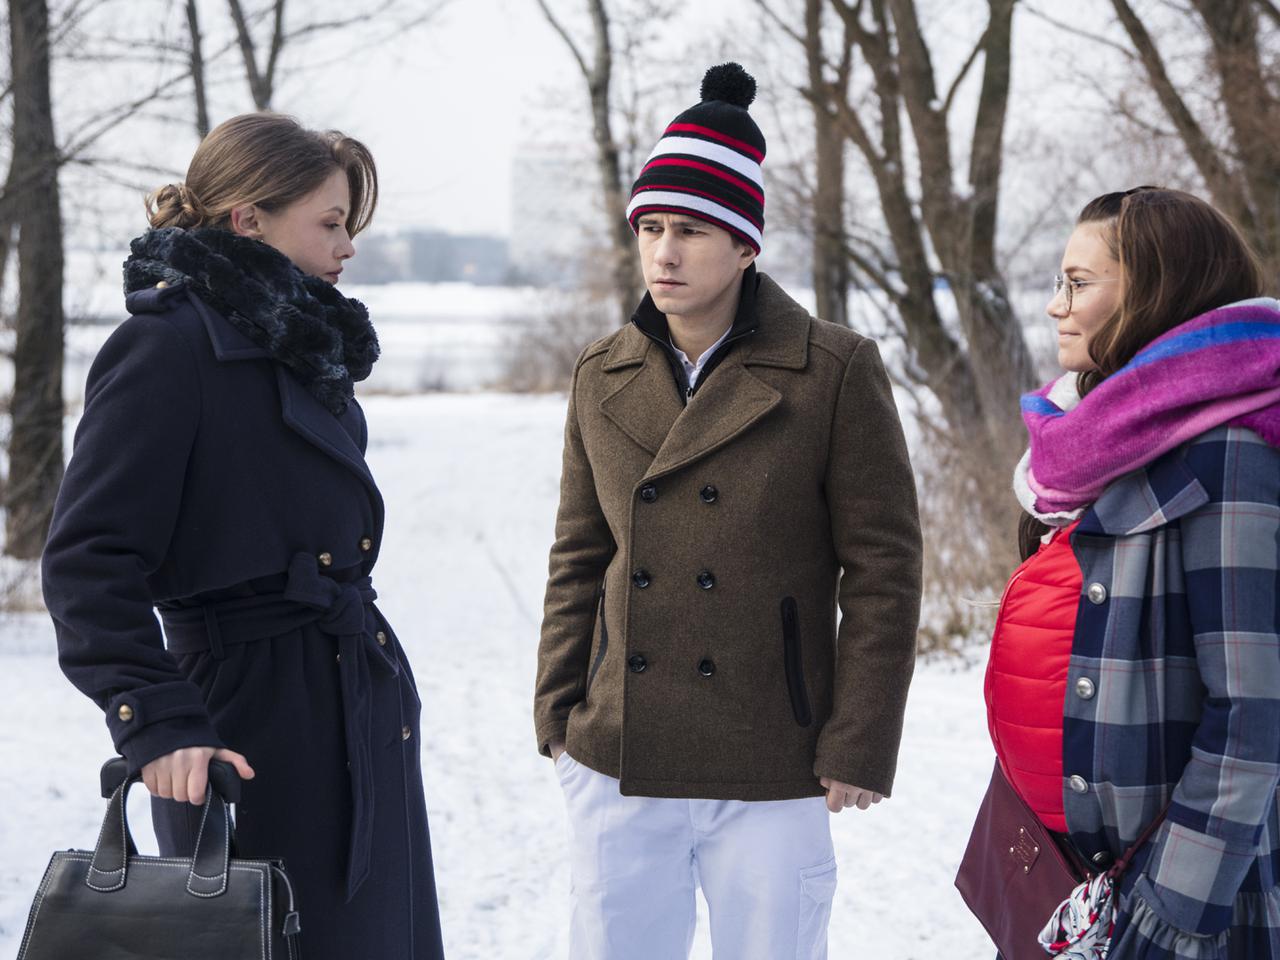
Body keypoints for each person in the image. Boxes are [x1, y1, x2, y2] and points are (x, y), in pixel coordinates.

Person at [533, 62, 923, 959]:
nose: (664, 254)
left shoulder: (834, 370)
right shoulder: (602, 370)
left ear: (746, 245)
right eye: (651, 228)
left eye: (692, 230)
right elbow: (579, 552)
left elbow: (884, 569)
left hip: (772, 756)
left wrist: (860, 739)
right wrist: (557, 714)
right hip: (618, 754)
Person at [41, 113, 445, 960]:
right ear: (248, 219)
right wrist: (155, 720)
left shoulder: (303, 348)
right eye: (330, 223)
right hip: (240, 726)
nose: (348, 247)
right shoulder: (165, 349)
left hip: (352, 699)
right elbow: (88, 559)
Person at [983, 186, 1280, 958]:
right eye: (1058, 281)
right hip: (1073, 880)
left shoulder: (1231, 452)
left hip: (1176, 904)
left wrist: (1168, 913)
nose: (1055, 306)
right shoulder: (1094, 443)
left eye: (1079, 283)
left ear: (1157, 289)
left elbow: (1253, 712)